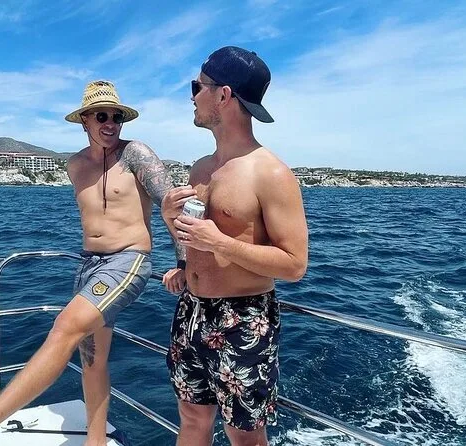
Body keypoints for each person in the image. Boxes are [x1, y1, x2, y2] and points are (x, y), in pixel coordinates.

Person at [0, 80, 179, 446]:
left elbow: (173, 207)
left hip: (128, 261)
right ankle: (95, 441)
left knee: (64, 327)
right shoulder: (75, 165)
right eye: (101, 116)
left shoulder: (135, 154)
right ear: (84, 120)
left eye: (116, 117)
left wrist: (183, 264)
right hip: (89, 265)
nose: (110, 123)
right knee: (92, 360)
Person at [162, 46, 309, 446]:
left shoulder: (271, 174)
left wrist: (221, 243)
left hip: (243, 319)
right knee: (191, 417)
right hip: (191, 310)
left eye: (197, 87)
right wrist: (170, 224)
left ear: (223, 95)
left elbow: (294, 264)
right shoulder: (200, 168)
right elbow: (194, 238)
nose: (192, 96)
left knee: (244, 435)